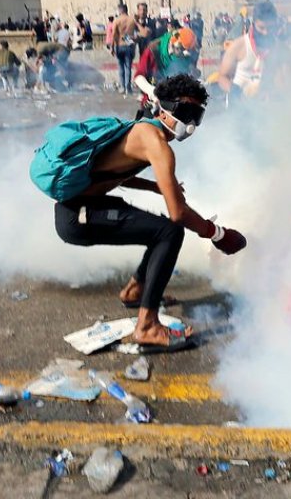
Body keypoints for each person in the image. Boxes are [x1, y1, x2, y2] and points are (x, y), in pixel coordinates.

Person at [39, 74, 246, 349]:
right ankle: (147, 326)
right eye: (186, 112)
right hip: (78, 218)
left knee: (157, 228)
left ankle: (135, 291)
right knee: (169, 232)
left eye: (197, 115)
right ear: (165, 109)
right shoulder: (156, 142)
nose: (192, 123)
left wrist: (154, 187)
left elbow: (114, 172)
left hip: (83, 209)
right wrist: (218, 234)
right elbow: (178, 213)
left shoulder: (144, 129)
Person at [217, 0, 277, 100]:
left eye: (270, 28)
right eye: (261, 28)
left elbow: (286, 82)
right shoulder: (238, 46)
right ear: (253, 24)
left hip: (267, 105)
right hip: (239, 104)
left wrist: (274, 93)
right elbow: (222, 77)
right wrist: (235, 91)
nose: (266, 32)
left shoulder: (280, 48)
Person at [109, 3, 138, 94]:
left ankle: (122, 87)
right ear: (126, 10)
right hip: (129, 45)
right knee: (128, 67)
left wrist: (112, 47)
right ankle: (128, 88)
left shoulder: (116, 20)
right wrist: (134, 46)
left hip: (119, 45)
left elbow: (114, 34)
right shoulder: (132, 20)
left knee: (121, 66)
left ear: (120, 10)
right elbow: (136, 34)